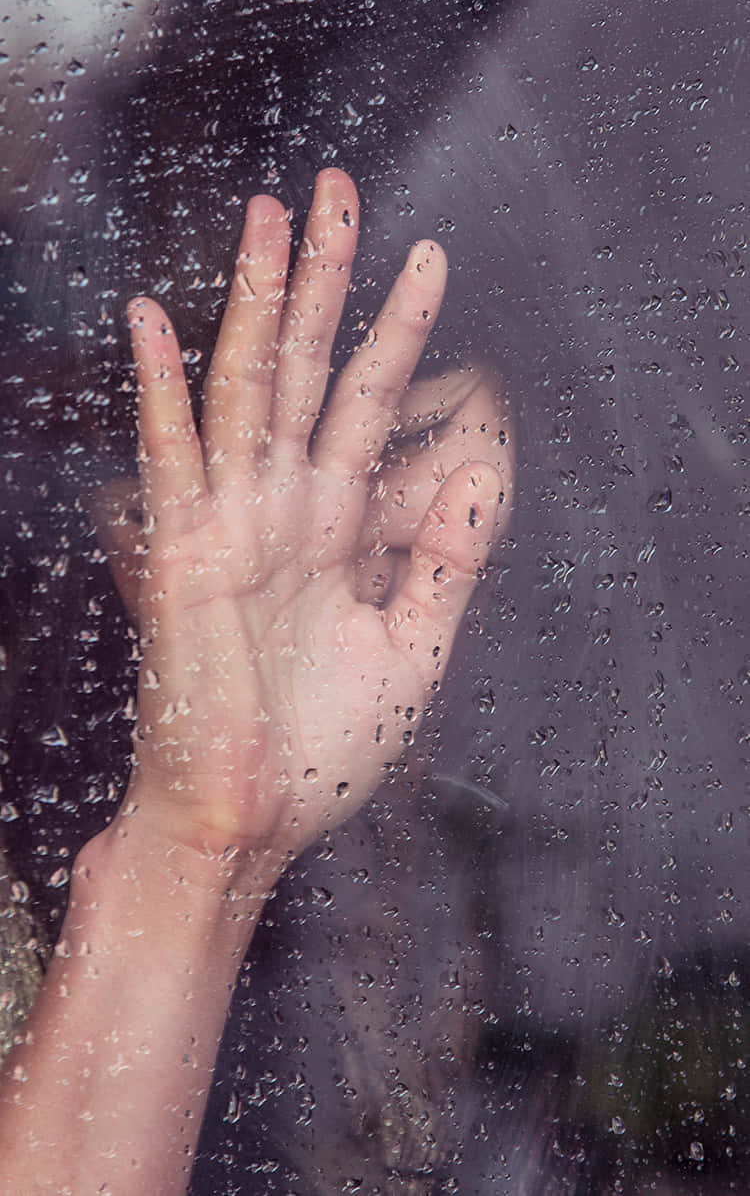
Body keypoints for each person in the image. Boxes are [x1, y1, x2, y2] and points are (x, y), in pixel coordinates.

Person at [0, 167, 512, 1194]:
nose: (326, 533)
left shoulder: (566, 857)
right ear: (134, 536)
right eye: (385, 441)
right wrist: (196, 847)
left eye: (408, 439)